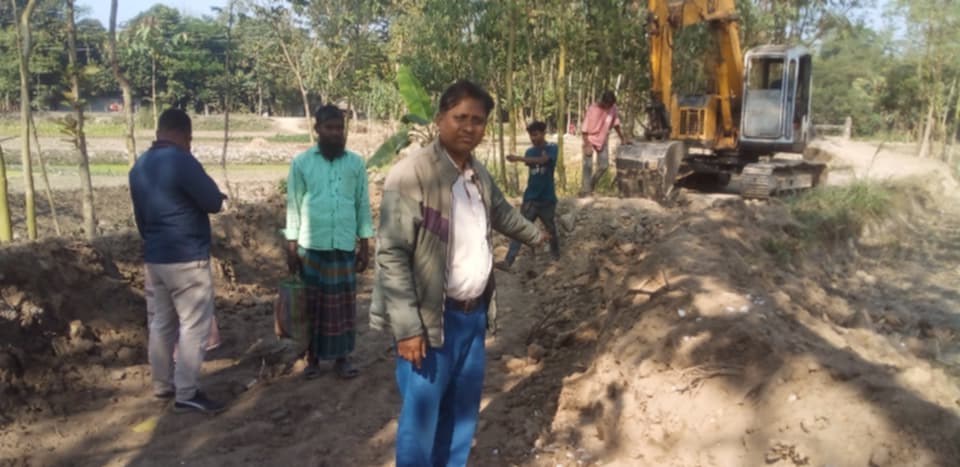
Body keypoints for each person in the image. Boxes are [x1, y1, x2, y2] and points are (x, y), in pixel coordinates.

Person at [370, 80, 548, 467]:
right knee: (421, 421)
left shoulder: (477, 173)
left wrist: (535, 235)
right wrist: (408, 328)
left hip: (473, 316)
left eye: (477, 121)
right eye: (460, 117)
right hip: (431, 320)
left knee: (461, 415)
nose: (469, 127)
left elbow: (502, 213)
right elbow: (392, 253)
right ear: (440, 119)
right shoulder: (412, 174)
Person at [129, 108, 227, 414]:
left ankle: (162, 385)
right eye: (190, 139)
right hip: (186, 257)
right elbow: (212, 202)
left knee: (162, 323)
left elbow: (141, 219)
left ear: (159, 131)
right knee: (194, 325)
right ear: (185, 134)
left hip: (156, 258)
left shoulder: (139, 166)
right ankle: (187, 393)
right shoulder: (182, 161)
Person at [284, 105, 373, 380]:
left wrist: (365, 244)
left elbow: (362, 204)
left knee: (343, 307)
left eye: (339, 128)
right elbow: (293, 206)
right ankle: (312, 358)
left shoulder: (356, 164)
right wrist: (291, 246)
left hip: (343, 246)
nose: (335, 133)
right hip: (311, 246)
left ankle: (342, 358)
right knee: (312, 306)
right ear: (317, 130)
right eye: (329, 128)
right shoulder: (301, 163)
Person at [495, 121, 560, 270]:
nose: (533, 138)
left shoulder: (552, 148)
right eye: (531, 135)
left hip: (547, 198)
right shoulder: (530, 152)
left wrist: (518, 158)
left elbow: (544, 160)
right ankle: (508, 261)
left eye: (536, 134)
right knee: (520, 230)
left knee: (551, 229)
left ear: (544, 133)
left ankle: (556, 259)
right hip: (530, 198)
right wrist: (525, 158)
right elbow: (536, 161)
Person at [580, 90, 630, 195]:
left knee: (604, 166)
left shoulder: (613, 108)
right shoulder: (592, 109)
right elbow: (584, 130)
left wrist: (622, 138)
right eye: (607, 105)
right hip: (589, 139)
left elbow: (616, 124)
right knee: (588, 167)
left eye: (611, 105)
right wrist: (587, 145)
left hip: (602, 139)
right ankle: (585, 191)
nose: (608, 107)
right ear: (603, 101)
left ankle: (591, 185)